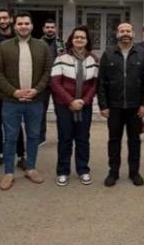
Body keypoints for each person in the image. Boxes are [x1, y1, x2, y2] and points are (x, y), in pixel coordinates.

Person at [0, 12, 53, 190]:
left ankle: (30, 168)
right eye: (20, 24)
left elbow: (48, 71)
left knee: (33, 136)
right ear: (15, 25)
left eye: (26, 23)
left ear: (32, 26)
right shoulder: (4, 47)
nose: (23, 26)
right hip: (11, 101)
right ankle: (9, 172)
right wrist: (14, 91)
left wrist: (36, 90)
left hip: (35, 100)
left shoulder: (42, 46)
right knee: (10, 137)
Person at [98, 22, 144, 187]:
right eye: (122, 31)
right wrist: (103, 105)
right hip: (114, 107)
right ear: (117, 34)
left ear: (133, 34)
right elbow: (101, 82)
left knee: (134, 141)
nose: (125, 33)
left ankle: (134, 172)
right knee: (114, 141)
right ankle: (113, 172)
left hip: (135, 107)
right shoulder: (108, 54)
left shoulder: (143, 54)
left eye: (128, 30)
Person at [49, 26, 99, 187]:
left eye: (82, 37)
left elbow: (95, 84)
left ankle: (83, 169)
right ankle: (63, 171)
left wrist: (84, 101)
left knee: (83, 139)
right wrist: (71, 101)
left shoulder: (93, 59)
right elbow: (55, 83)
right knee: (65, 138)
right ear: (71, 39)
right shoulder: (61, 58)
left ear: (87, 40)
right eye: (76, 37)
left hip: (85, 105)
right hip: (64, 106)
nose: (79, 40)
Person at [0, 8, 25, 171]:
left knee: (16, 125)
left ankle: (21, 156)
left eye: (5, 18)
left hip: (15, 89)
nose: (2, 21)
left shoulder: (19, 37)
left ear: (11, 19)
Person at [39, 19, 63, 146]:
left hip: (58, 82)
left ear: (56, 29)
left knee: (61, 111)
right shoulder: (38, 43)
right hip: (43, 83)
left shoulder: (60, 43)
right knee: (41, 111)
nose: (50, 29)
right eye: (47, 27)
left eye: (52, 27)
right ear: (44, 29)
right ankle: (40, 137)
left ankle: (63, 137)